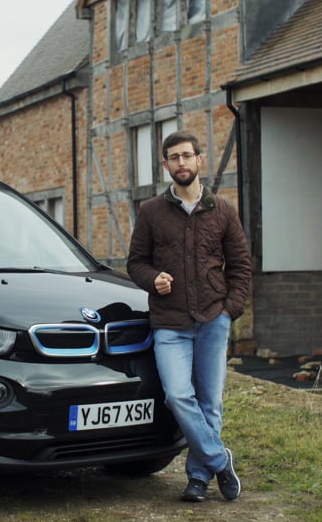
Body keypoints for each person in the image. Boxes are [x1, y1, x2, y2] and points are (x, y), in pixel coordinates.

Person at [127, 130, 251, 502]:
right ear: (165, 166)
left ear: (200, 160)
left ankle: (198, 477)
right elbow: (135, 263)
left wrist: (230, 311)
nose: (181, 163)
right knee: (179, 396)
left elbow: (241, 266)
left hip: (214, 318)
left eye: (187, 156)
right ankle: (219, 459)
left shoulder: (223, 210)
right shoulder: (150, 212)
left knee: (210, 401)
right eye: (173, 158)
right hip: (170, 323)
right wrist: (153, 280)